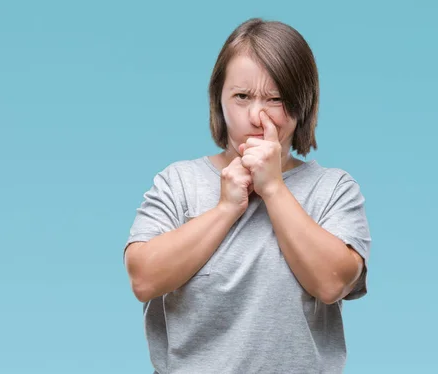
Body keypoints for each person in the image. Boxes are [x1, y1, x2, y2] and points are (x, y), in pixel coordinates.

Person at [122, 18, 372, 374]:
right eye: (242, 97)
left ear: (303, 104)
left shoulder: (333, 189)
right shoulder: (178, 182)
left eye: (277, 99)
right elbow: (143, 278)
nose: (257, 116)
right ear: (218, 101)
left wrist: (272, 187)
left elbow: (332, 282)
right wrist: (226, 208)